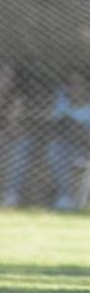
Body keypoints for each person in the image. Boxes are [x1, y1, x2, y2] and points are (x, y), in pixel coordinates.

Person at [47, 69, 90, 211]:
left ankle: (78, 201)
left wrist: (78, 130)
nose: (75, 87)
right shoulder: (62, 104)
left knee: (79, 153)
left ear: (88, 86)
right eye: (71, 84)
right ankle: (64, 197)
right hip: (64, 145)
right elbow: (53, 130)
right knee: (56, 149)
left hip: (87, 147)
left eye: (80, 83)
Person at [1, 60, 33, 208]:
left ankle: (11, 194)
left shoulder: (17, 99)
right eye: (3, 74)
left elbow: (14, 128)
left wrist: (10, 128)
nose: (6, 79)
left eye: (10, 76)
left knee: (23, 143)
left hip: (6, 139)